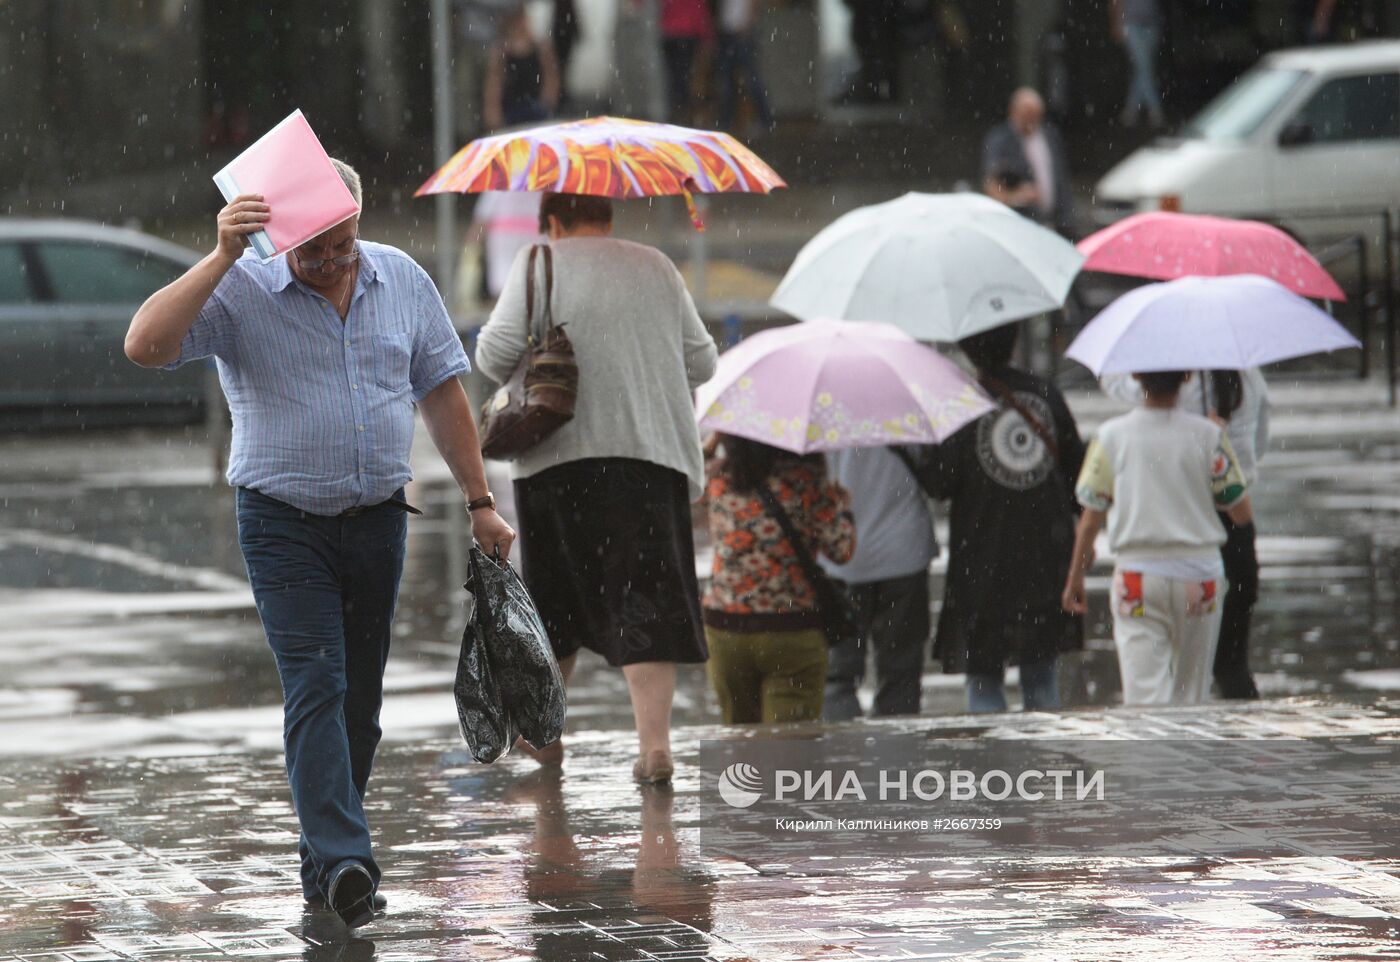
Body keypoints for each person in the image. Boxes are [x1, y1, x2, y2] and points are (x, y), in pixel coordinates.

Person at [122, 161, 514, 930]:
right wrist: (219, 256)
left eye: (344, 244)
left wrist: (481, 503)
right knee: (317, 686)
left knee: (360, 709)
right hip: (282, 523)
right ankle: (347, 862)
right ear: (279, 237)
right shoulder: (241, 288)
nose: (332, 262)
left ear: (360, 219)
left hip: (378, 521)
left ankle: (325, 870)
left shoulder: (399, 278)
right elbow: (144, 344)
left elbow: (440, 389)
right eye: (313, 251)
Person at [474, 193, 718, 785]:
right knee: (648, 603)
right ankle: (655, 745)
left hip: (558, 463)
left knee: (555, 602)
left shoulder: (537, 262)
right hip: (648, 461)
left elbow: (491, 355)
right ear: (608, 216)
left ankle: (548, 734)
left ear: (552, 221)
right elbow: (704, 362)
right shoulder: (655, 265)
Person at [1063, 371, 1252, 706]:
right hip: (1200, 577)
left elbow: (1091, 518)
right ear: (1187, 376)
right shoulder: (1208, 435)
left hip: (1137, 577)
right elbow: (1240, 513)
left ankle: (1150, 757)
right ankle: (1188, 753)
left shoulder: (1110, 436)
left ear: (1135, 375)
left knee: (1143, 696)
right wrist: (1219, 445)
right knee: (1191, 693)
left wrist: (1075, 576)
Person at [924, 326, 1085, 713]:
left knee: (982, 676)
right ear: (1013, 341)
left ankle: (989, 764)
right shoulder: (1046, 394)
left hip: (981, 558)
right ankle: (1044, 767)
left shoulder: (960, 405)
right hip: (1044, 555)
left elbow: (940, 483)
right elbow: (1078, 474)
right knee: (1041, 675)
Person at [702, 435, 856, 724]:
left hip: (726, 628)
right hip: (792, 628)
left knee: (740, 745)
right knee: (789, 749)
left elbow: (684, 472)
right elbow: (841, 550)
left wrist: (713, 441)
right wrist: (843, 508)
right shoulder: (807, 480)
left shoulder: (719, 477)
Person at [819, 446, 936, 721]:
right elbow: (936, 476)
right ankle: (897, 756)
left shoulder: (816, 411)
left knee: (837, 678)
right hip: (904, 552)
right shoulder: (905, 408)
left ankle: (843, 754)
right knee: (901, 673)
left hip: (839, 556)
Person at [981, 88, 1075, 237]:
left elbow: (1061, 178)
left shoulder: (1050, 136)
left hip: (1054, 222)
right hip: (1019, 223)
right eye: (1027, 115)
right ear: (1014, 112)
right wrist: (1017, 196)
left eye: (1035, 116)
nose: (1031, 121)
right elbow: (991, 181)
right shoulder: (1000, 140)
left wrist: (1067, 217)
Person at [483, 6, 561, 130]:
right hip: (511, 110)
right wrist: (493, 111)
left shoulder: (541, 49)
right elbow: (494, 84)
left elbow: (551, 78)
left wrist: (548, 103)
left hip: (536, 108)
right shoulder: (501, 53)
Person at [715, 0, 775, 135]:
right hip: (728, 33)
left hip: (741, 33)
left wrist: (747, 26)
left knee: (751, 78)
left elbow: (754, 5)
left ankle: (765, 120)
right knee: (728, 80)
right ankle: (726, 121)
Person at [657, 0, 714, 125]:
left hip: (671, 33)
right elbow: (699, 10)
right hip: (685, 34)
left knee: (675, 78)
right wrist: (706, 35)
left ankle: (678, 112)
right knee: (682, 77)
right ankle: (682, 112)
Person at [1110, 0, 1165, 129]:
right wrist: (1117, 24)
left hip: (1152, 23)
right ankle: (1155, 110)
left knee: (1143, 69)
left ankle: (1130, 111)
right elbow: (1115, 2)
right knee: (1143, 67)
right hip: (1131, 24)